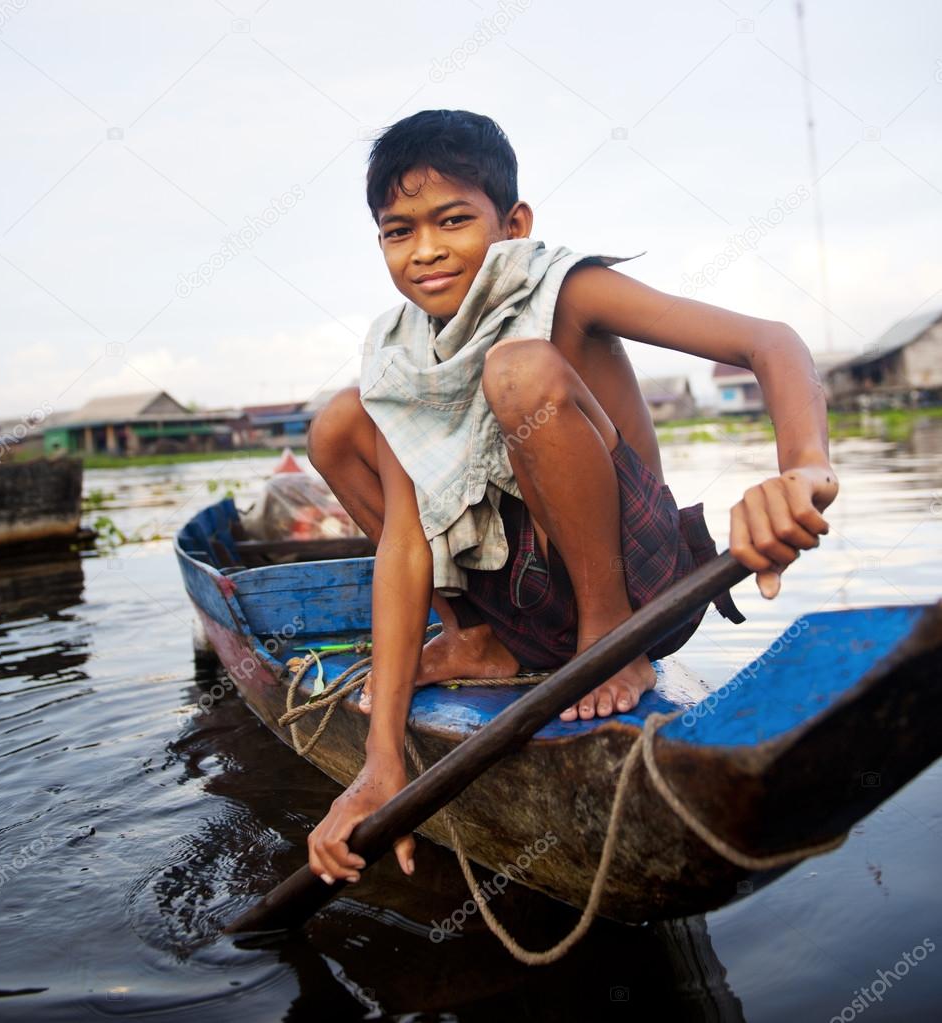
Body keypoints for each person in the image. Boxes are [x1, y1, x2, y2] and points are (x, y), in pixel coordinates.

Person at [305, 109, 839, 886]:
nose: (425, 250)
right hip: (521, 597)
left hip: (635, 585)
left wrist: (802, 471)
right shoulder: (402, 355)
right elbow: (404, 544)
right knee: (337, 423)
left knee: (518, 370)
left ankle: (604, 638)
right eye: (398, 231)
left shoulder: (565, 287)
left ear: (512, 221)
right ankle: (478, 637)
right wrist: (381, 761)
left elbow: (770, 343)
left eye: (453, 220)